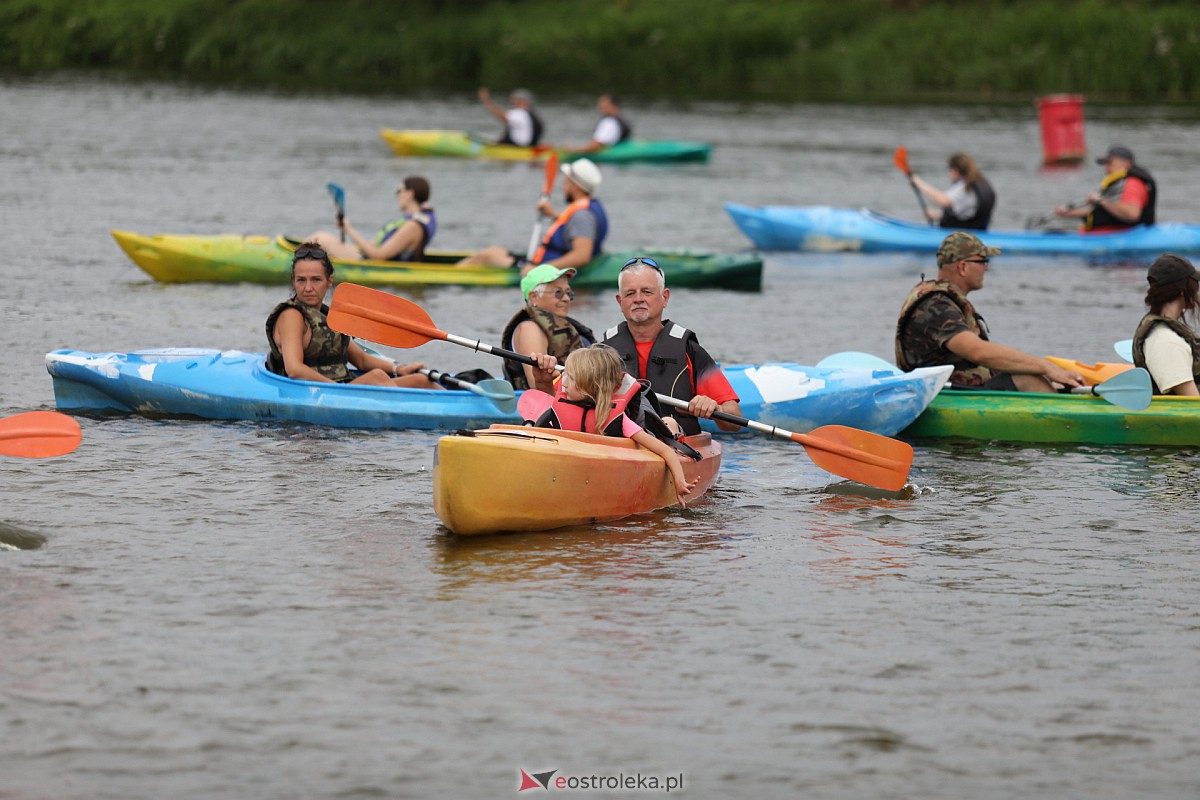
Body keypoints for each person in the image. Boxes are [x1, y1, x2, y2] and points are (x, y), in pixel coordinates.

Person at [895, 232, 1085, 392]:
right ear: (963, 267)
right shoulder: (936, 306)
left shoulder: (943, 299)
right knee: (1029, 377)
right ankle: (1070, 425)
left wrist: (1045, 369)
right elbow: (978, 352)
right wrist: (1045, 367)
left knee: (1040, 372)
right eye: (982, 261)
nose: (986, 267)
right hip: (945, 396)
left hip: (963, 388)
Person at [533, 345, 698, 502]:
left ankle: (672, 427)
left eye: (571, 378)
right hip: (580, 467)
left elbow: (665, 451)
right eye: (565, 375)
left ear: (591, 385)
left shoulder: (617, 419)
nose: (563, 383)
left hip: (644, 436)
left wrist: (679, 482)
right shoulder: (558, 411)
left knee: (668, 423)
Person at [266, 242, 441, 389]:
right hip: (322, 392)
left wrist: (399, 368)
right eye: (301, 280)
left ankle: (460, 414)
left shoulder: (329, 316)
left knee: (422, 380)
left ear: (329, 281)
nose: (308, 288)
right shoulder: (292, 316)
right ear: (294, 281)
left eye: (316, 279)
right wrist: (336, 391)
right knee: (377, 377)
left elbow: (362, 360)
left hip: (343, 388)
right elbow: (294, 369)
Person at [600, 257, 743, 434]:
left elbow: (735, 420)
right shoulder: (603, 351)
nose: (638, 299)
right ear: (620, 301)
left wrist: (716, 410)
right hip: (619, 444)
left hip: (677, 443)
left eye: (647, 292)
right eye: (630, 293)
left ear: (664, 297)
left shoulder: (689, 350)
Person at [457, 159, 608, 275]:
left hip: (540, 270)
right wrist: (554, 215)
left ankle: (449, 275)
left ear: (575, 186)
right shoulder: (586, 208)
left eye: (566, 182)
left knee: (486, 257)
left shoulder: (582, 215)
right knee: (493, 250)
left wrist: (538, 270)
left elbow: (582, 256)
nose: (563, 186)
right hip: (541, 263)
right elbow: (572, 232)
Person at [500, 263, 595, 393]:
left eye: (568, 293)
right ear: (534, 297)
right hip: (546, 404)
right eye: (558, 293)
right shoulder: (530, 329)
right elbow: (536, 383)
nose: (566, 299)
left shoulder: (568, 325)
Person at [306, 176, 436, 262]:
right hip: (370, 257)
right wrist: (347, 230)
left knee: (320, 238)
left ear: (409, 194)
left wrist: (349, 231)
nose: (397, 195)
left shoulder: (413, 226)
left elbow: (378, 256)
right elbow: (370, 247)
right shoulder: (412, 220)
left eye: (398, 191)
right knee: (321, 240)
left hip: (377, 264)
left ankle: (297, 262)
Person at [1132, 254, 1200, 396]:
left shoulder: (1166, 334)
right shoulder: (1166, 342)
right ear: (1182, 291)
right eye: (1195, 283)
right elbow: (1193, 403)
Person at [1055, 145, 1157, 232]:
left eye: (1110, 163)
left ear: (1126, 164)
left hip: (1114, 238)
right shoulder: (1118, 183)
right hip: (1097, 235)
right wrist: (1068, 213)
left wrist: (1101, 200)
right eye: (1106, 164)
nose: (1106, 168)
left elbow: (1132, 214)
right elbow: (1104, 213)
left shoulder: (1132, 184)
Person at [909, 152, 996, 230]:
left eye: (950, 170)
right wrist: (936, 215)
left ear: (956, 171)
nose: (948, 174)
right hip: (977, 231)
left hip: (962, 237)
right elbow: (964, 215)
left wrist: (919, 183)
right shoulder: (981, 182)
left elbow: (943, 200)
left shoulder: (964, 187)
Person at [477, 87, 544, 147]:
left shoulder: (520, 112)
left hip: (516, 149)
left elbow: (503, 117)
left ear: (525, 102)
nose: (513, 102)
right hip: (529, 148)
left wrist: (486, 100)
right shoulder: (532, 115)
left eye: (516, 100)